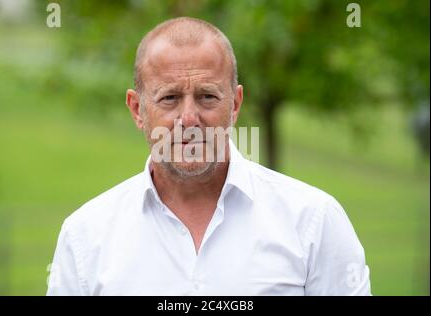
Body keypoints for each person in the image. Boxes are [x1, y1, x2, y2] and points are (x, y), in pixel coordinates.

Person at [47, 17, 371, 296]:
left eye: (207, 96)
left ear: (234, 104)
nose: (189, 118)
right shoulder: (85, 235)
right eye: (170, 97)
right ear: (137, 109)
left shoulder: (314, 221)